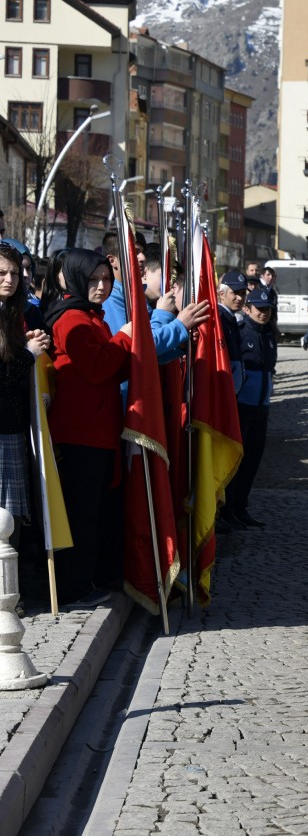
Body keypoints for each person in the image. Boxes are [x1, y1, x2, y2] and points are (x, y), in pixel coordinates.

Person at [45, 249, 133, 606]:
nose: (101, 286)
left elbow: (112, 368)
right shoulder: (72, 320)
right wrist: (126, 338)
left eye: (106, 279)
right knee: (82, 514)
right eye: (94, 279)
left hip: (98, 430)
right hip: (80, 433)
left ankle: (91, 580)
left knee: (96, 512)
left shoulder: (92, 317)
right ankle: (73, 589)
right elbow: (98, 368)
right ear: (79, 279)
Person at [0, 243, 50, 561]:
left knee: (11, 517)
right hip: (1, 428)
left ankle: (9, 590)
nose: (9, 279)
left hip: (12, 426)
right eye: (1, 273)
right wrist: (29, 356)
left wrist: (27, 347)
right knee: (3, 516)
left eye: (15, 273)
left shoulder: (12, 312)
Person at [225, 286, 277, 528]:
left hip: (261, 408)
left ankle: (241, 507)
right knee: (236, 460)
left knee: (253, 460)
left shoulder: (269, 333)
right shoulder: (240, 331)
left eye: (267, 309)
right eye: (259, 308)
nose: (263, 313)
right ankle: (226, 509)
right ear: (248, 309)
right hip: (242, 406)